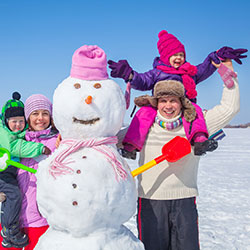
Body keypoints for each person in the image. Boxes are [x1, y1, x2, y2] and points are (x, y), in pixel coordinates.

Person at [125, 59, 239, 250]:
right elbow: (106, 138)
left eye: (173, 101)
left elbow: (229, 109)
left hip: (184, 201)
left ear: (182, 102)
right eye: (163, 101)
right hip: (151, 202)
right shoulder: (141, 126)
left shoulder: (196, 124)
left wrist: (228, 75)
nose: (168, 106)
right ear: (156, 103)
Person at [108, 30, 247, 157]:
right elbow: (142, 80)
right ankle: (131, 146)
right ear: (165, 56)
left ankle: (199, 140)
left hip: (185, 105)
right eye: (175, 55)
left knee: (195, 113)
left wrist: (216, 56)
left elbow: (205, 68)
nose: (179, 58)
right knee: (143, 114)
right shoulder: (157, 72)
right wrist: (130, 74)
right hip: (158, 107)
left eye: (181, 55)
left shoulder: (190, 71)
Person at [0, 94, 58, 250]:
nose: (40, 118)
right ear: (27, 117)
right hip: (11, 220)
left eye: (45, 113)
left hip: (41, 219)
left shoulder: (58, 141)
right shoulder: (17, 139)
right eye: (35, 113)